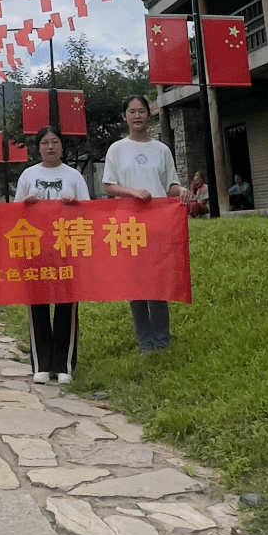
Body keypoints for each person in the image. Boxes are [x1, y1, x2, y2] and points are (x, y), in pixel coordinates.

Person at [100, 94, 185, 353]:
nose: (137, 116)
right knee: (136, 284)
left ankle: (162, 341)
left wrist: (182, 190)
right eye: (132, 112)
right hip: (128, 225)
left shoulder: (161, 149)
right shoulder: (117, 148)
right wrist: (132, 192)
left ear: (149, 115)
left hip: (158, 224)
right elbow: (108, 185)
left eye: (141, 111)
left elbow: (170, 185)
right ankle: (144, 342)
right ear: (124, 116)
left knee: (158, 282)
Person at [15, 124, 89, 384]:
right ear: (38, 147)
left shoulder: (73, 176)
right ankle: (41, 364)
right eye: (45, 142)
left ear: (62, 146)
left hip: (66, 249)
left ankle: (64, 364)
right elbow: (14, 214)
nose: (50, 146)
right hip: (36, 250)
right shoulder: (28, 175)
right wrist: (26, 205)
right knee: (38, 304)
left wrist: (74, 205)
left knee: (66, 304)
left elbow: (88, 212)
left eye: (55, 141)